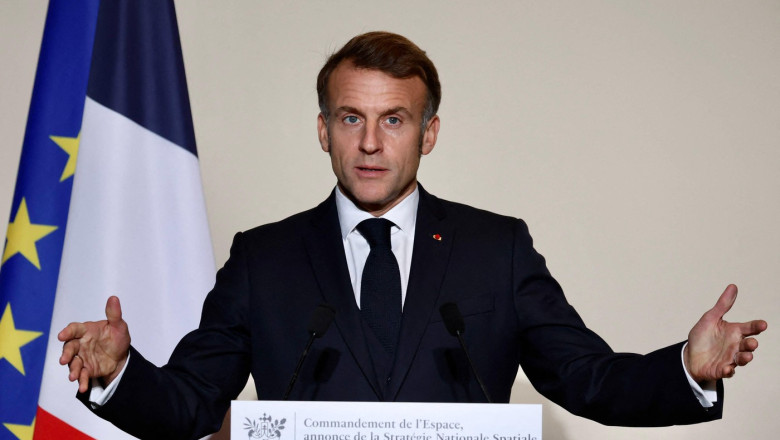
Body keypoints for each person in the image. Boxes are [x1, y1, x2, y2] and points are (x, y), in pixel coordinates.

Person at [58, 32, 767, 439]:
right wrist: (120, 372)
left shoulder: (497, 250)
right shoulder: (264, 259)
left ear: (428, 133)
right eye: (349, 118)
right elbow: (191, 403)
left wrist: (687, 367)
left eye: (393, 119)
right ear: (322, 129)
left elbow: (589, 379)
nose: (369, 142)